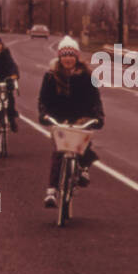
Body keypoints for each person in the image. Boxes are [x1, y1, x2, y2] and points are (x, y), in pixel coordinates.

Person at [37, 35, 104, 207]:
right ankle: (51, 191)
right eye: (65, 55)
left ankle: (83, 168)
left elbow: (95, 100)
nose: (68, 59)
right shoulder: (51, 76)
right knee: (59, 151)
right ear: (60, 57)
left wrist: (98, 116)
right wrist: (44, 114)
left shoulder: (87, 76)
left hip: (82, 117)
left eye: (71, 55)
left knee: (84, 143)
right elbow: (44, 99)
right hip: (59, 118)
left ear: (77, 57)